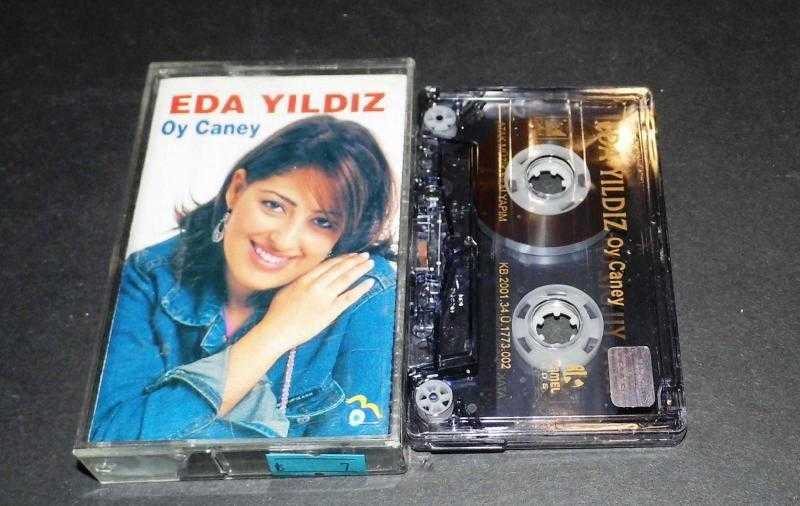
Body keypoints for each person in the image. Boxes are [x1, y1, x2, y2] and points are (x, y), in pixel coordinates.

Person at [90, 116, 398, 441]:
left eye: (322, 222)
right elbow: (109, 440)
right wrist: (273, 335)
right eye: (274, 206)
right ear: (237, 189)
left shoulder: (364, 292)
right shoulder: (152, 274)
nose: (283, 240)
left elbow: (352, 458)